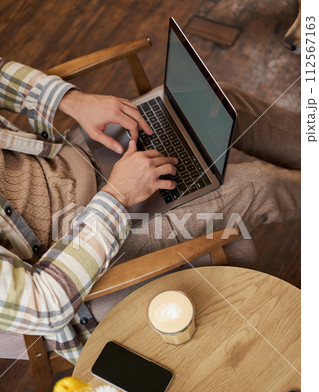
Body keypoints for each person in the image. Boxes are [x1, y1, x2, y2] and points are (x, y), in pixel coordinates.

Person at [0, 58, 300, 363]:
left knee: (216, 100)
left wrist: (71, 100)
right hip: (79, 251)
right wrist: (117, 194)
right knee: (258, 185)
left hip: (67, 160)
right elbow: (43, 302)